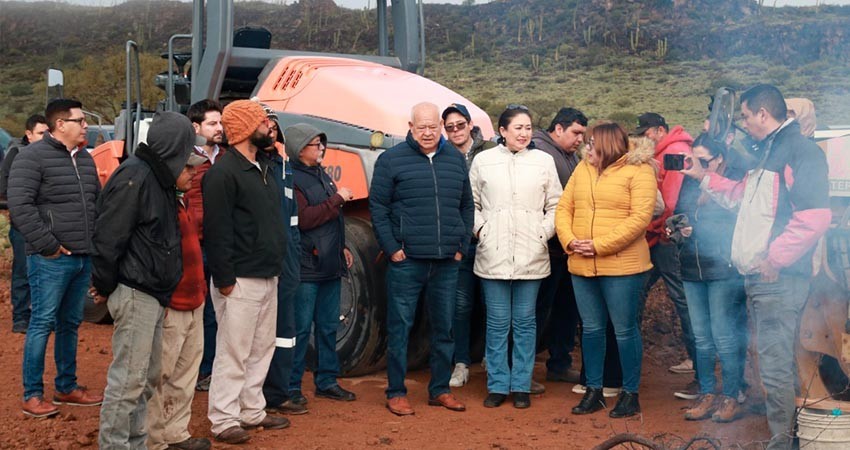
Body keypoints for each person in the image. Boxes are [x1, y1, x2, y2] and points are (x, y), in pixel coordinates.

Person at [682, 84, 831, 449]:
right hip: (763, 278)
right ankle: (787, 439)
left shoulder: (800, 152)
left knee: (776, 367)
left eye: (746, 116)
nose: (744, 123)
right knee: (775, 364)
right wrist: (703, 177)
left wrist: (774, 258)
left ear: (763, 114)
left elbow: (814, 218)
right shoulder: (769, 151)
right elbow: (742, 198)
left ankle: (782, 444)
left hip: (779, 279)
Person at [92, 112, 204, 449]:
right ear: (173, 148)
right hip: (135, 291)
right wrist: (105, 285)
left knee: (145, 380)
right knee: (129, 381)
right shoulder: (135, 177)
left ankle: (137, 444)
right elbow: (108, 238)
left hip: (153, 293)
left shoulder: (159, 180)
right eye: (187, 153)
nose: (193, 166)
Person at [370, 102, 473, 416]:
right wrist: (392, 248)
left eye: (433, 127)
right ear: (411, 127)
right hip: (407, 261)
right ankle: (396, 392)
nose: (428, 133)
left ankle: (440, 390)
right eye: (421, 127)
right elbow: (378, 207)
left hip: (446, 261)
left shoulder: (455, 159)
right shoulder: (391, 160)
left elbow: (466, 206)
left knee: (444, 328)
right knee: (400, 328)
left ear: (440, 126)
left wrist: (461, 245)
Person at [8, 99, 103, 418]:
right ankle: (32, 394)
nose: (86, 126)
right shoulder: (31, 157)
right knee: (42, 322)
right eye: (80, 120)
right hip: (50, 259)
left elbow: (96, 204)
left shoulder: (85, 158)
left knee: (70, 323)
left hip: (82, 256)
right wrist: (48, 245)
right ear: (60, 124)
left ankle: (66, 387)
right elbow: (20, 206)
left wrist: (93, 245)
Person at [203, 99, 289, 444]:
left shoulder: (262, 166)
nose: (269, 127)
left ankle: (251, 410)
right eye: (262, 122)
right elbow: (217, 231)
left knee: (261, 348)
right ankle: (223, 419)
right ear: (244, 129)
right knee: (233, 351)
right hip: (239, 278)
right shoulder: (223, 174)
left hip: (267, 273)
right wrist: (225, 279)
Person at [556, 122, 656, 418]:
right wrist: (569, 240)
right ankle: (594, 390)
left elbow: (640, 219)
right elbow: (564, 208)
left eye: (591, 145)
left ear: (607, 147)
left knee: (624, 330)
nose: (586, 149)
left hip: (623, 267)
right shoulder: (583, 169)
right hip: (581, 263)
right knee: (591, 329)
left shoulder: (640, 171)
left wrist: (599, 245)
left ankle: (630, 393)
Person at [470, 106, 561, 409]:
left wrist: (542, 232)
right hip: (493, 254)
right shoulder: (484, 161)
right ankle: (498, 385)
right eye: (518, 128)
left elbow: (556, 204)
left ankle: (521, 385)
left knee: (525, 323)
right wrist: (482, 230)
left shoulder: (543, 161)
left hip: (531, 254)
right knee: (497, 323)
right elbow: (470, 202)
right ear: (503, 131)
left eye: (528, 128)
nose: (524, 133)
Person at [673, 134, 747, 423]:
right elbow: (679, 214)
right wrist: (679, 229)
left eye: (704, 161)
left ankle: (731, 396)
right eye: (694, 161)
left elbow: (740, 219)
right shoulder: (690, 181)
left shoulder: (733, 183)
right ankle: (706, 394)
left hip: (722, 269)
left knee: (724, 337)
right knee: (701, 338)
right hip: (691, 267)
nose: (698, 166)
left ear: (720, 159)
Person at [284, 122, 358, 404]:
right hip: (307, 266)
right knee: (301, 329)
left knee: (328, 327)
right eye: (316, 144)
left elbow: (333, 220)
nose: (322, 148)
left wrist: (342, 247)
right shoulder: (292, 179)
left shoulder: (321, 174)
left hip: (329, 263)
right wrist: (337, 199)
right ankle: (291, 388)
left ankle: (327, 381)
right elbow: (304, 219)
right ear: (300, 149)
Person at [146, 158, 211, 450]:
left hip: (194, 298)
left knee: (186, 373)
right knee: (160, 373)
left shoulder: (183, 200)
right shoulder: (159, 203)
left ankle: (175, 433)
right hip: (172, 301)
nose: (193, 172)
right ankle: (154, 439)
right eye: (187, 167)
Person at [634, 112, 698, 392]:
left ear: (660, 130)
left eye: (646, 132)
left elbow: (670, 200)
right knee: (646, 291)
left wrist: (655, 227)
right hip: (661, 236)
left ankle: (698, 363)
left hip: (667, 238)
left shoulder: (674, 151)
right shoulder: (667, 150)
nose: (643, 137)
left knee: (682, 299)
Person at [531, 107, 587, 386]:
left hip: (567, 248)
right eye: (576, 132)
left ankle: (559, 364)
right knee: (540, 309)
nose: (580, 139)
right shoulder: (540, 151)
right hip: (547, 247)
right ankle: (523, 370)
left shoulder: (569, 155)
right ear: (559, 128)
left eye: (583, 134)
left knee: (566, 308)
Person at [442, 102, 496, 388]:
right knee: (461, 306)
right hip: (459, 242)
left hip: (489, 239)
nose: (456, 131)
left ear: (470, 124)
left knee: (492, 304)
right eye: (450, 127)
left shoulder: (492, 151)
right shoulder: (442, 156)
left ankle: (491, 358)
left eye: (460, 125)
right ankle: (461, 362)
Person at [260, 107, 307, 416]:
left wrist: (295, 255)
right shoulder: (250, 167)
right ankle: (253, 396)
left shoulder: (284, 166)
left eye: (274, 128)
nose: (270, 132)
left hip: (287, 261)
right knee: (256, 333)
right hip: (259, 261)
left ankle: (279, 393)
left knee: (285, 332)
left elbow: (293, 219)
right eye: (265, 126)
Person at [185, 99, 225, 392]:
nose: (219, 128)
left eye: (221, 122)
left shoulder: (226, 158)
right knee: (190, 308)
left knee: (215, 310)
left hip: (220, 244)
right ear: (196, 127)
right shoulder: (185, 159)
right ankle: (190, 370)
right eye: (212, 123)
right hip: (192, 244)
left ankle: (208, 370)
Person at [0, 114, 48, 334]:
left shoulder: (52, 155)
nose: (45, 137)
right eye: (40, 133)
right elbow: (5, 188)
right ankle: (20, 317)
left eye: (48, 133)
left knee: (46, 272)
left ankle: (42, 317)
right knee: (23, 270)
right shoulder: (17, 154)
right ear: (29, 134)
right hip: (23, 224)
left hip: (47, 223)